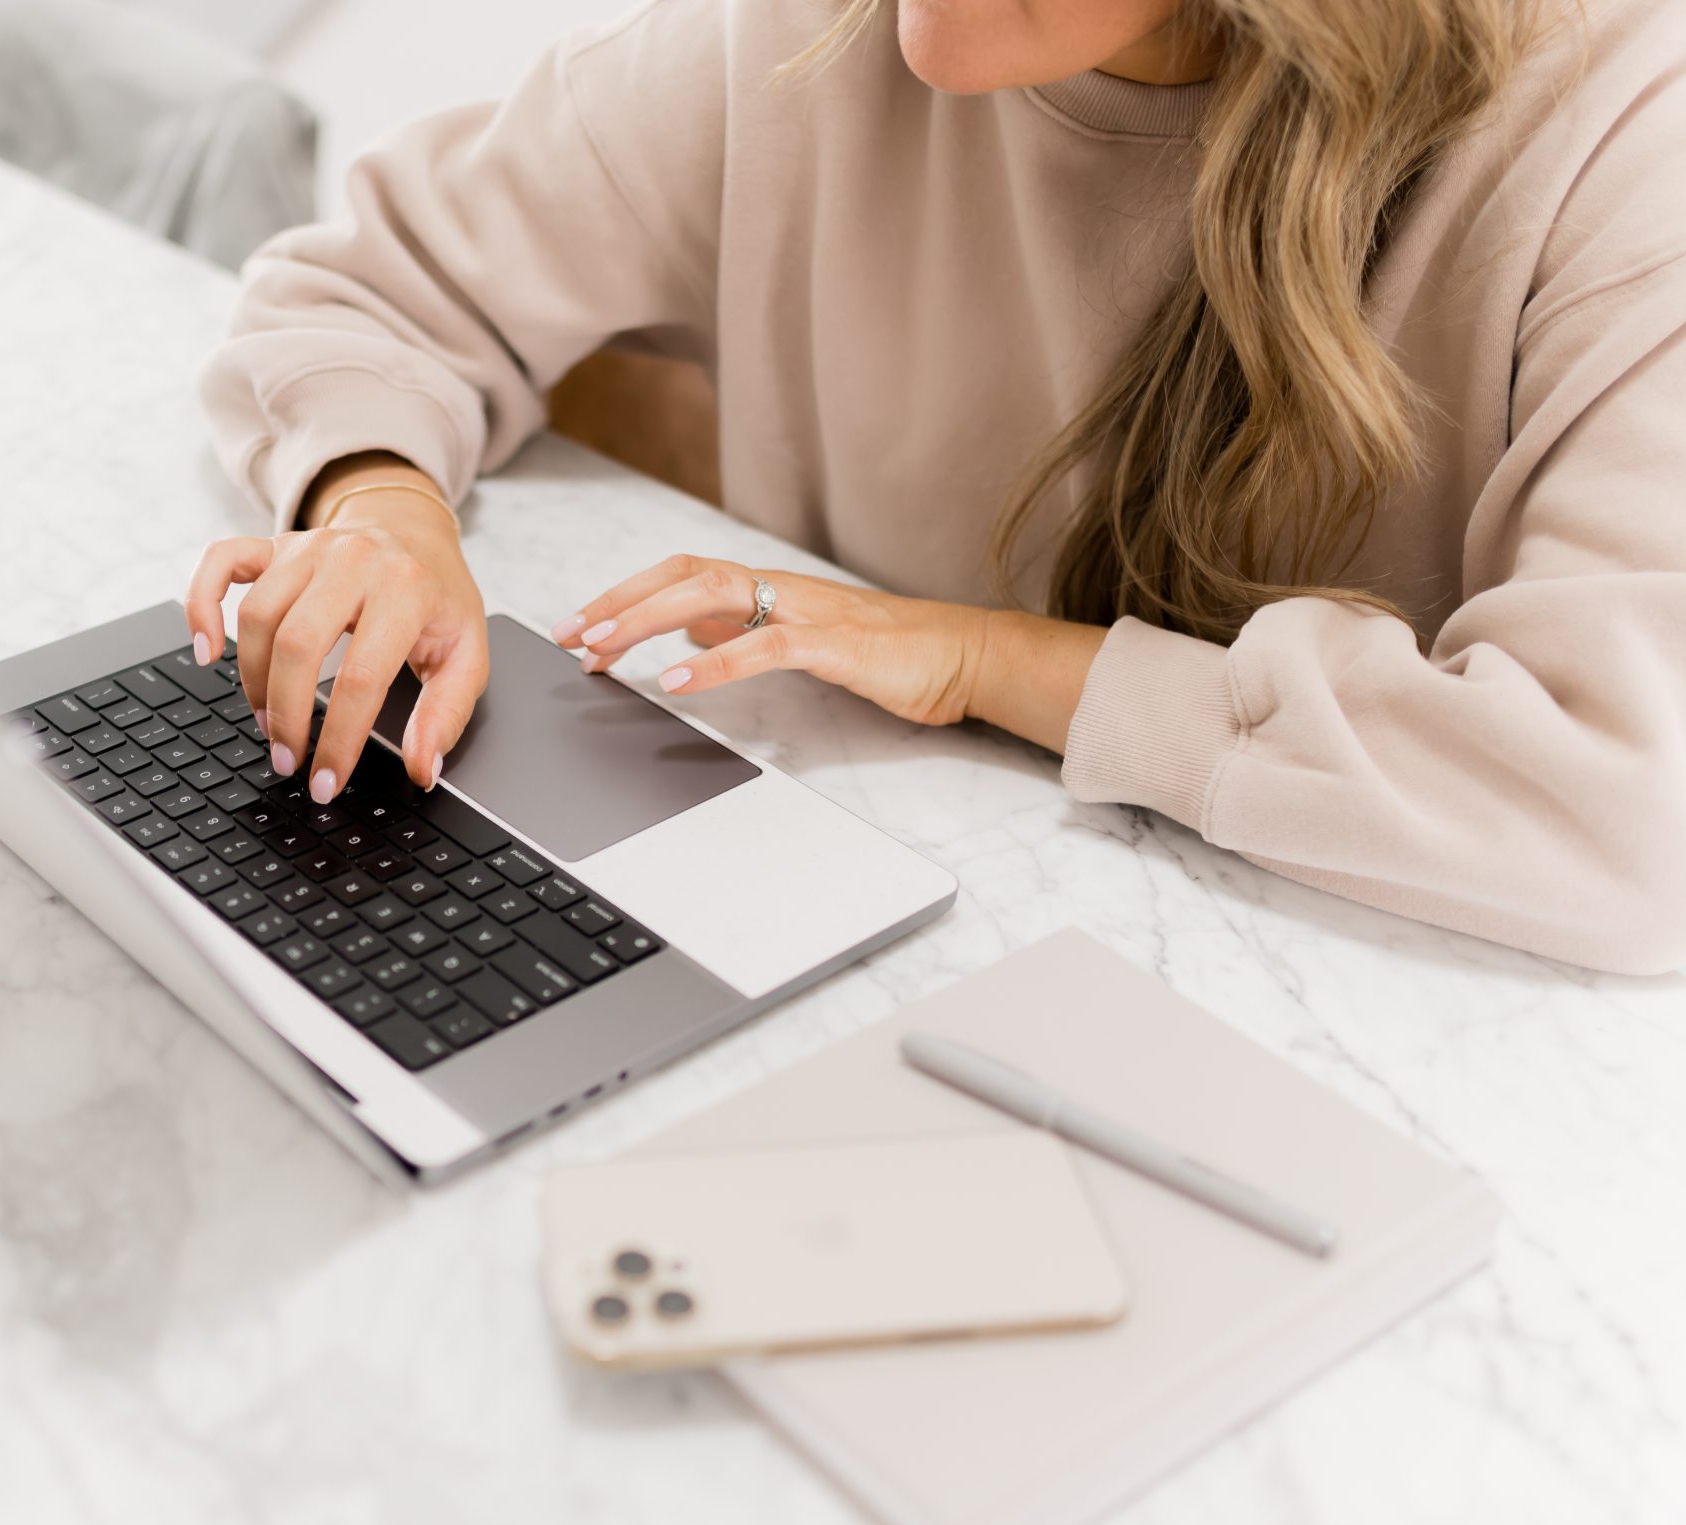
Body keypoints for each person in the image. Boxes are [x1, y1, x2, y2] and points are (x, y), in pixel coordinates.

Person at [186, 0, 1686, 975]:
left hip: (1372, 1038)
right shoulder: (805, 39)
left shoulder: (1620, 122)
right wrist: (380, 509)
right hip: (849, 940)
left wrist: (979, 658)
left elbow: (1632, 815)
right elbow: (370, 290)